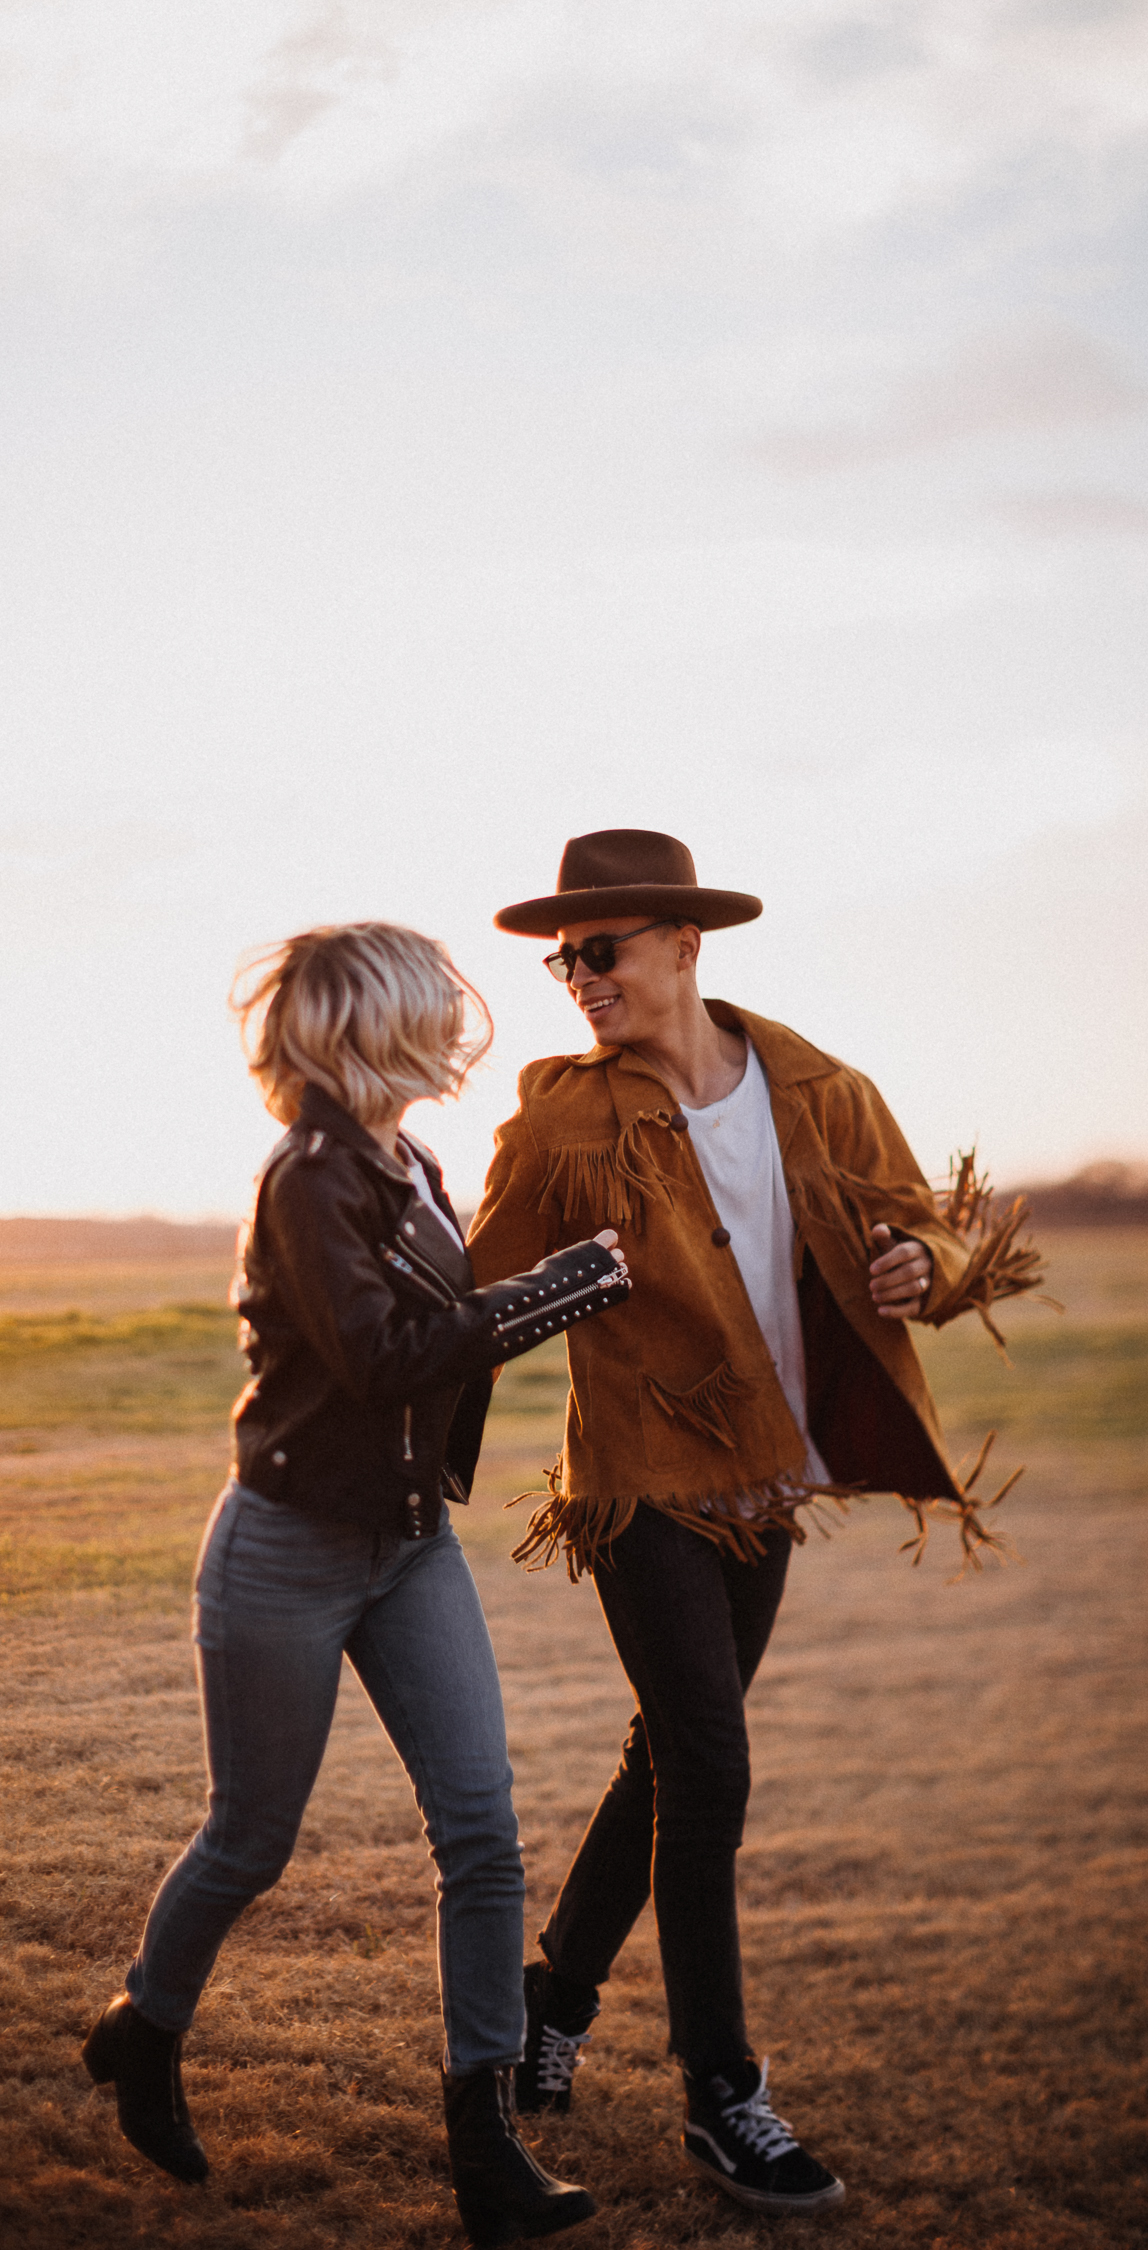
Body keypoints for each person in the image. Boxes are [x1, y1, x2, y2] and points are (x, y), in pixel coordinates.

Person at [467, 830, 1045, 2219]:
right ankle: (724, 2096)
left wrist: (925, 1267)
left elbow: (941, 1236)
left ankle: (552, 1992)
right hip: (638, 1485)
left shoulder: (822, 1092)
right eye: (563, 956)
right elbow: (465, 1302)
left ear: (684, 945)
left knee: (666, 1758)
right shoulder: (559, 1122)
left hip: (765, 1484)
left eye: (599, 950)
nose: (578, 977)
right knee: (711, 1769)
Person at [83, 921, 633, 2249]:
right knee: (251, 1839)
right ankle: (144, 2026)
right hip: (285, 1546)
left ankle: (485, 2139)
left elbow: (442, 1337)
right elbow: (387, 1355)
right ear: (363, 1025)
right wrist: (559, 1291)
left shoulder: (410, 1158)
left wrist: (557, 1277)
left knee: (483, 1830)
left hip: (406, 1546)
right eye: (429, 1008)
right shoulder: (309, 1179)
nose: (456, 1026)